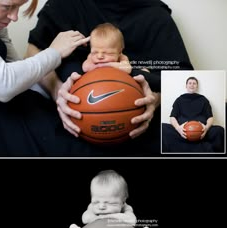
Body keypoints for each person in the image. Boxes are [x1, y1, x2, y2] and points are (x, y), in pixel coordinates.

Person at [25, 0, 194, 157]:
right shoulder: (63, 5)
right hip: (69, 125)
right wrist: (57, 92)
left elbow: (182, 76)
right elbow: (34, 51)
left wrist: (154, 101)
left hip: (141, 130)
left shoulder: (155, 15)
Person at [0, 0, 90, 156]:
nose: (15, 17)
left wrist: (60, 94)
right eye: (7, 7)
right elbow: (3, 85)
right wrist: (55, 52)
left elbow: (19, 72)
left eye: (18, 7)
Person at [162, 76, 225, 153]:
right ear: (186, 86)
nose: (192, 85)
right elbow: (172, 117)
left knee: (219, 130)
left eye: (194, 83)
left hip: (202, 132)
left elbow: (210, 117)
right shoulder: (179, 99)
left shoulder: (203, 99)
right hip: (182, 132)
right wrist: (178, 128)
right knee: (162, 128)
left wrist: (206, 128)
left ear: (197, 86)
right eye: (190, 83)